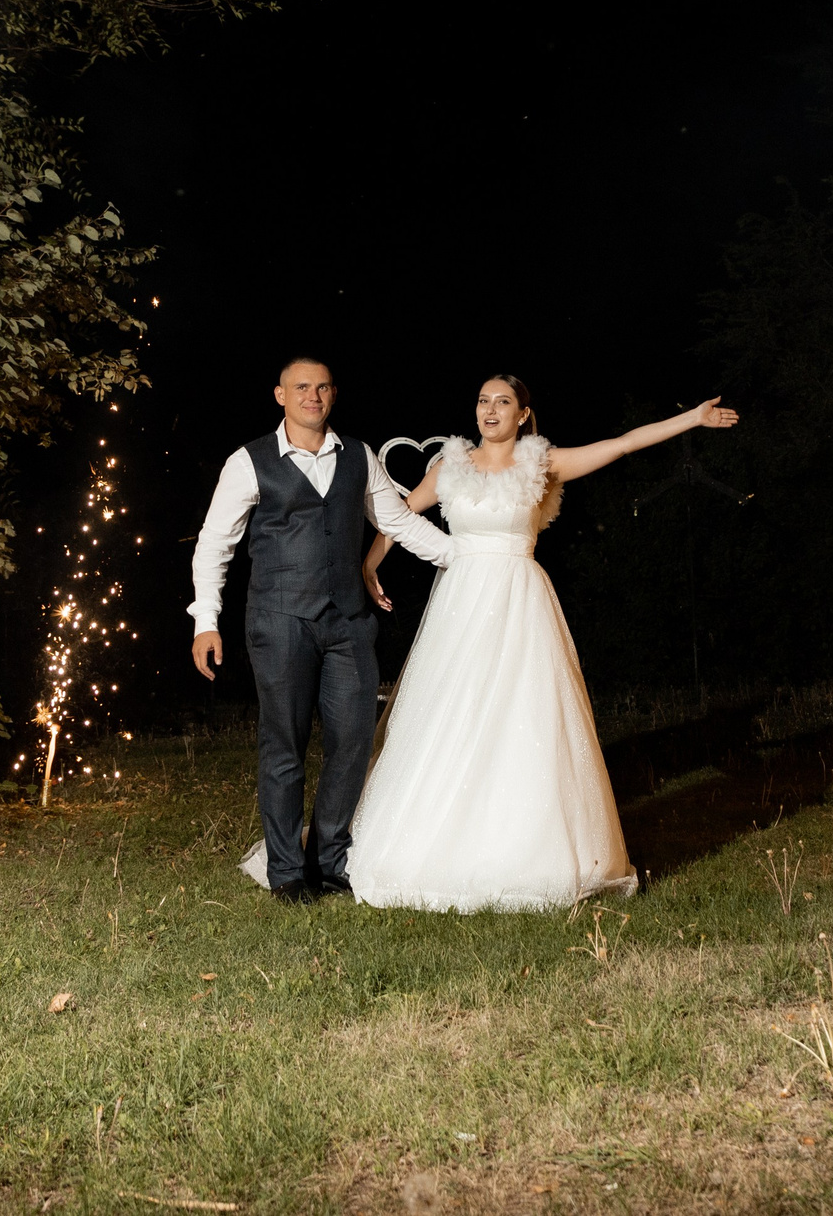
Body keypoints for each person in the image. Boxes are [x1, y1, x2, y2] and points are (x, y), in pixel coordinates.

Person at [342, 376, 740, 913]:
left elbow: (619, 445)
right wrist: (369, 565)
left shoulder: (541, 463)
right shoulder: (450, 465)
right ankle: (429, 843)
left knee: (523, 718)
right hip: (461, 606)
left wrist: (690, 419)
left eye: (502, 402)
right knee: (451, 714)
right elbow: (398, 515)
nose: (490, 410)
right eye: (483, 400)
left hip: (520, 602)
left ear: (523, 414)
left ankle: (528, 851)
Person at [190, 357, 454, 902]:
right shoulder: (248, 462)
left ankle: (329, 859)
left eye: (323, 386)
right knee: (284, 744)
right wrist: (205, 621)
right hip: (280, 622)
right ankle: (286, 871)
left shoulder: (359, 455)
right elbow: (215, 544)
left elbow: (397, 521)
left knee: (353, 741)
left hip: (350, 625)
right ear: (280, 396)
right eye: (301, 387)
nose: (313, 395)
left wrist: (462, 555)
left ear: (334, 395)